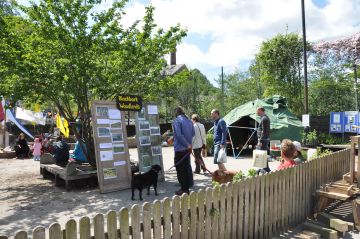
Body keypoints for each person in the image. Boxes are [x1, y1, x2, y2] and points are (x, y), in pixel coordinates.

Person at [173, 107, 195, 195]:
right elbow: (193, 133)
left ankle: (184, 189)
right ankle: (187, 187)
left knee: (180, 169)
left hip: (180, 149)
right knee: (186, 168)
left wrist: (187, 144)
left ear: (176, 113)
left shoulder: (177, 121)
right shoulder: (189, 121)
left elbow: (178, 135)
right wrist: (189, 144)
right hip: (187, 149)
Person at [256, 106, 271, 172]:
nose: (256, 113)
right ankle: (266, 168)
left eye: (257, 111)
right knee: (263, 155)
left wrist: (260, 141)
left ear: (260, 110)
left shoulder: (264, 119)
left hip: (264, 140)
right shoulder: (264, 118)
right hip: (264, 139)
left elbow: (264, 131)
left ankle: (266, 169)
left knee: (263, 155)